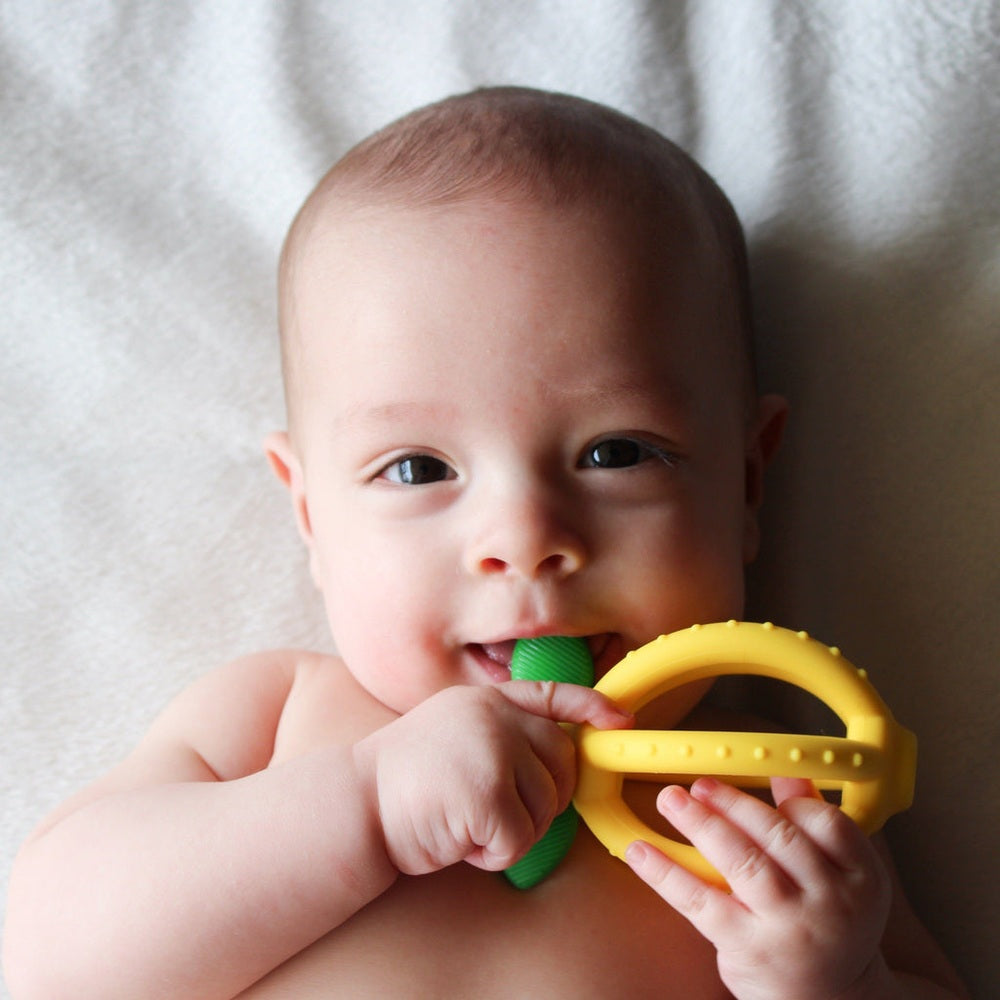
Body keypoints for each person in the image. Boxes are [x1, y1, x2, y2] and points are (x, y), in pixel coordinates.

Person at [3, 86, 968, 1000]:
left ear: (747, 480)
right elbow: (46, 959)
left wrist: (839, 981)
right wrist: (368, 806)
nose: (526, 539)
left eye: (615, 452)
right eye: (419, 468)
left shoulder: (777, 801)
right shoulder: (280, 723)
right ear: (309, 514)